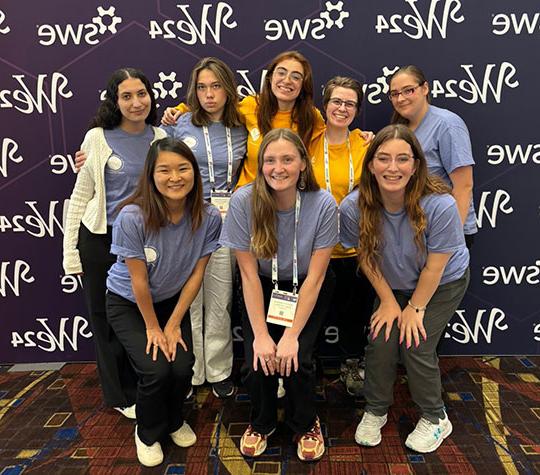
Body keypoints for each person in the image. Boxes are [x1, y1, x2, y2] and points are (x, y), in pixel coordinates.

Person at [339, 124, 470, 453]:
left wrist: (414, 308)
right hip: (392, 283)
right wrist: (387, 301)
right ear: (370, 164)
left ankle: (436, 416)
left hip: (440, 283)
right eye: (383, 158)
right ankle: (375, 410)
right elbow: (365, 256)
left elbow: (436, 266)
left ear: (415, 165)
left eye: (402, 159)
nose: (392, 167)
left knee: (415, 341)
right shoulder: (354, 205)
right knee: (381, 340)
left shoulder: (439, 204)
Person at [220, 128, 338, 461]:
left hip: (307, 285)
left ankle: (305, 423)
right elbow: (247, 273)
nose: (278, 168)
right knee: (260, 359)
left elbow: (315, 278)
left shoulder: (323, 203)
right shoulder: (244, 201)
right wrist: (260, 334)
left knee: (296, 358)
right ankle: (261, 422)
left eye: (288, 159)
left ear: (303, 163)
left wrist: (291, 335)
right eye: (270, 160)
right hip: (262, 284)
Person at [106, 137, 222, 466]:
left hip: (172, 303)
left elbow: (197, 274)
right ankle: (147, 431)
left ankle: (173, 420)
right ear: (151, 175)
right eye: (165, 170)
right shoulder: (132, 216)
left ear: (195, 173)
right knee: (156, 369)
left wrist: (172, 323)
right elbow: (139, 282)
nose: (175, 177)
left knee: (183, 365)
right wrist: (155, 328)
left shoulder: (208, 216)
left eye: (183, 168)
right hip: (130, 304)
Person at [63, 68, 166, 418]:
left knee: (144, 315)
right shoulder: (97, 138)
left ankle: (148, 384)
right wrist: (71, 256)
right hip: (100, 240)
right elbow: (79, 199)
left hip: (145, 242)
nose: (136, 102)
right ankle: (122, 397)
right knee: (103, 319)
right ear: (115, 101)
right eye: (127, 96)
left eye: (142, 93)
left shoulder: (161, 136)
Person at [161, 57, 247, 398]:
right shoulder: (180, 123)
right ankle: (191, 370)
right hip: (188, 219)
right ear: (193, 92)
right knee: (189, 299)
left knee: (220, 296)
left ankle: (219, 369)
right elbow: (156, 161)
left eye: (216, 86)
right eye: (202, 87)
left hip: (228, 221)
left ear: (228, 89)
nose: (209, 94)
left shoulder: (243, 126)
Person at [162, 51, 326, 188]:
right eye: (281, 73)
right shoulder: (251, 106)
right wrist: (182, 110)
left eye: (296, 76)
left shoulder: (311, 117)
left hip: (286, 198)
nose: (287, 80)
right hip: (247, 199)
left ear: (304, 83)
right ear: (269, 78)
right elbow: (216, 104)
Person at [309, 76, 375, 396]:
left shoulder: (367, 145)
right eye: (336, 101)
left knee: (354, 313)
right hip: (313, 249)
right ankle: (310, 363)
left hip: (353, 249)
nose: (342, 108)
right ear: (325, 105)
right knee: (311, 314)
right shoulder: (306, 140)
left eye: (350, 103)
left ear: (357, 110)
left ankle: (352, 362)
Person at [388, 65, 477, 248]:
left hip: (443, 232)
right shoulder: (401, 128)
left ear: (425, 88)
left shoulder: (447, 124)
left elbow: (464, 186)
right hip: (414, 231)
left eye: (408, 90)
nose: (401, 98)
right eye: (394, 94)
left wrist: (451, 238)